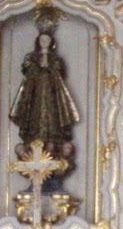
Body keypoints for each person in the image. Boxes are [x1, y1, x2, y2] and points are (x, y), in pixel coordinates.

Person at [9, 27, 80, 190]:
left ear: (51, 42)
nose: (44, 42)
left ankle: (52, 143)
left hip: (52, 100)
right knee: (35, 123)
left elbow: (59, 75)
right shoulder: (31, 59)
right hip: (35, 99)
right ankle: (35, 143)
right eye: (42, 40)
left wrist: (49, 66)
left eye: (47, 40)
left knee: (53, 124)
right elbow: (28, 73)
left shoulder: (56, 60)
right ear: (38, 41)